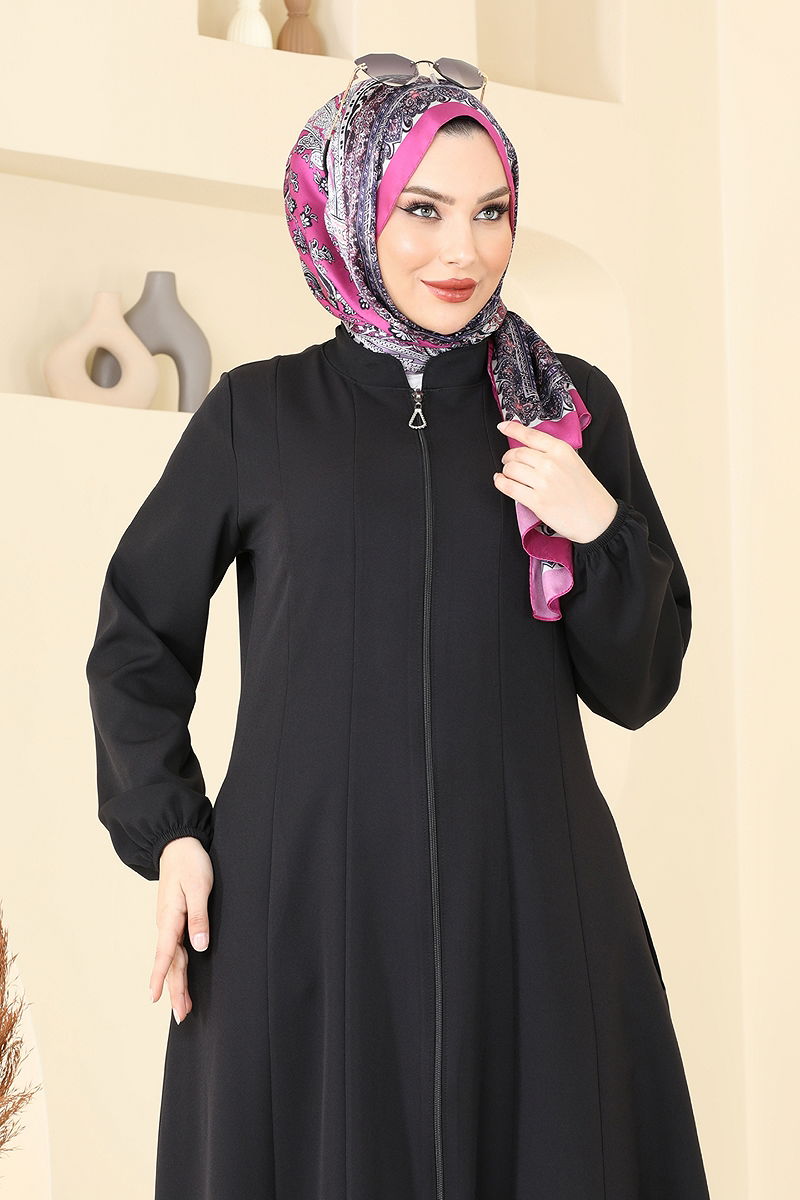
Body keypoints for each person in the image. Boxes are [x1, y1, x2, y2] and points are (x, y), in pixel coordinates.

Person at [85, 56, 712, 1200]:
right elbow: (137, 634)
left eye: (489, 212)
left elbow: (638, 682)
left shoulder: (564, 410)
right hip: (302, 905)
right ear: (349, 207)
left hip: (527, 901)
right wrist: (171, 835)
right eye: (421, 210)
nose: (460, 251)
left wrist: (595, 524)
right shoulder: (260, 414)